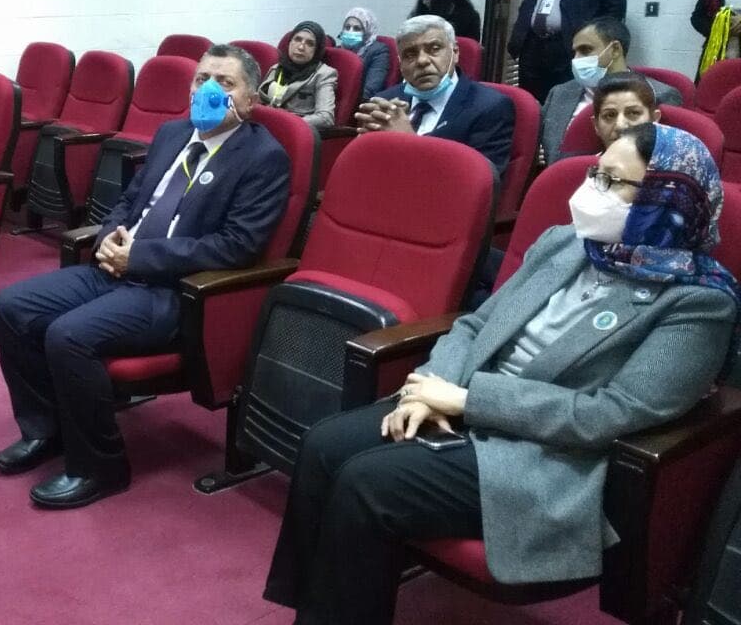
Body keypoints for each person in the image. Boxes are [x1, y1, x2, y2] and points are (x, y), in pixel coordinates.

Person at [263, 121, 739, 625]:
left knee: (367, 482)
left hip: (548, 455)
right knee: (323, 445)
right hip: (461, 400)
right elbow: (476, 325)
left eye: (613, 181)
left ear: (669, 201)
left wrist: (468, 401)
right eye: (595, 174)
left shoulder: (697, 303)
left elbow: (611, 413)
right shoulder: (566, 244)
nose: (591, 191)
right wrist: (429, 389)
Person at [0, 44, 291, 510]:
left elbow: (236, 246)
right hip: (118, 267)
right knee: (9, 307)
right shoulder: (173, 134)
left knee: (68, 336)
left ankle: (100, 468)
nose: (208, 90)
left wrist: (141, 258)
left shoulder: (263, 157)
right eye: (202, 79)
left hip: (174, 290)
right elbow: (131, 200)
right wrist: (110, 237)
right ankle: (46, 430)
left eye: (225, 83)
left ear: (250, 101)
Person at [355, 15, 515, 177]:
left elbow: (481, 181)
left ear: (455, 53)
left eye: (434, 49)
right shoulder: (386, 101)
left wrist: (408, 143)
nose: (422, 61)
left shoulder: (490, 107)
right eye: (410, 55)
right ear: (401, 64)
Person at [539, 17, 682, 163]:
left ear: (615, 50)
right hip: (559, 174)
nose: (576, 59)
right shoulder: (559, 93)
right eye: (574, 53)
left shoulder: (660, 95)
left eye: (585, 50)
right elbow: (544, 150)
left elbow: (666, 158)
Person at [259, 21, 338, 133]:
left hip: (296, 132)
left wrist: (288, 124)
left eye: (310, 44)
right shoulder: (277, 68)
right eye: (297, 40)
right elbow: (261, 101)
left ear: (317, 50)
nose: (301, 47)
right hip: (267, 127)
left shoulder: (324, 74)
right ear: (290, 43)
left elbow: (326, 118)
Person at [337, 7, 391, 100]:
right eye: (347, 27)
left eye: (357, 28)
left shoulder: (378, 51)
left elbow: (370, 89)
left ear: (367, 32)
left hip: (357, 101)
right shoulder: (338, 50)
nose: (350, 31)